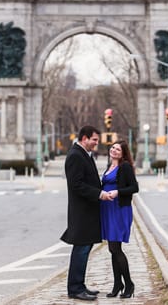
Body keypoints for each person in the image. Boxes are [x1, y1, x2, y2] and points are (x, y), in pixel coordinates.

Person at [61, 126, 110, 301]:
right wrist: (99, 194)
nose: (97, 143)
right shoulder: (75, 156)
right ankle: (75, 288)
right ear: (84, 138)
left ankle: (79, 285)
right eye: (94, 140)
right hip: (81, 212)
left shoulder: (84, 154)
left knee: (85, 248)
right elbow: (77, 185)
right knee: (81, 249)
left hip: (88, 211)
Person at [101, 140, 140, 298]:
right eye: (113, 148)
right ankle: (118, 284)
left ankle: (129, 284)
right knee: (112, 249)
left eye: (118, 149)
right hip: (107, 209)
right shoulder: (108, 166)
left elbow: (134, 187)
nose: (114, 151)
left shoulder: (124, 167)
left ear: (123, 153)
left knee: (116, 248)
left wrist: (118, 192)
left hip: (119, 209)